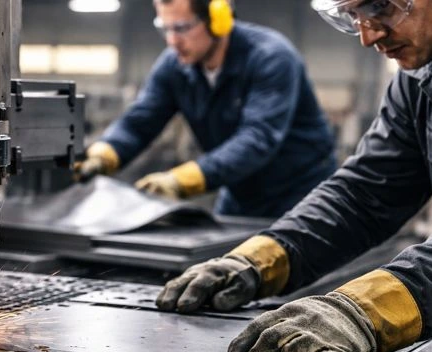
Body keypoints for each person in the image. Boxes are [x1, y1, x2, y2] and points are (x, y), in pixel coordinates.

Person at [155, 0, 432, 352]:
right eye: (352, 17)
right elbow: (365, 192)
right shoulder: (424, 75)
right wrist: (259, 260)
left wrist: (363, 311)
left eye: (380, 6)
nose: (368, 36)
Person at [75, 0, 336, 218]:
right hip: (239, 191)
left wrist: (181, 180)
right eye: (164, 28)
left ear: (218, 19)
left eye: (182, 28)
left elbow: (258, 138)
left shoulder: (271, 57)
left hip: (301, 193)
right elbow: (141, 120)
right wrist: (105, 153)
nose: (172, 41)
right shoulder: (173, 66)